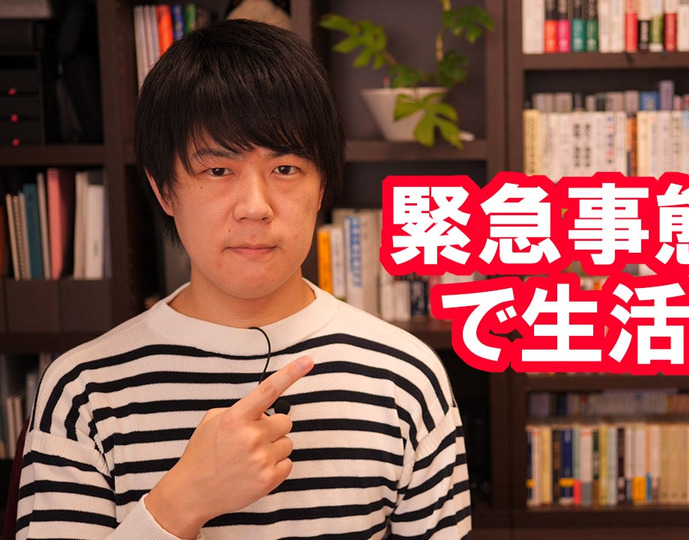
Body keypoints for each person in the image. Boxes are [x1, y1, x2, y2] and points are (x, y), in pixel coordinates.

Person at [16, 19, 471, 539]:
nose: (255, 207)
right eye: (218, 170)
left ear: (322, 185)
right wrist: (179, 505)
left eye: (285, 169)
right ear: (164, 191)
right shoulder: (81, 392)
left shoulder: (405, 376)